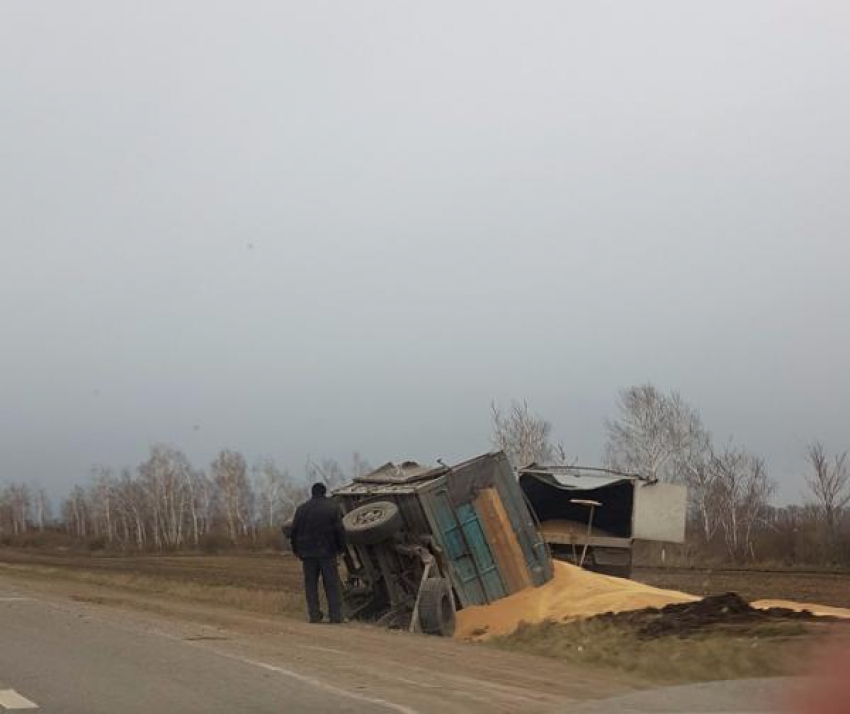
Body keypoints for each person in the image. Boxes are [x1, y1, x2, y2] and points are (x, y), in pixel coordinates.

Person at [289, 482, 345, 624]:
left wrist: (297, 550)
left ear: (312, 492)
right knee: (331, 584)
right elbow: (340, 531)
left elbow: (293, 532)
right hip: (327, 552)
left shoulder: (301, 509)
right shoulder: (332, 508)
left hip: (307, 554)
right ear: (324, 492)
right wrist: (341, 548)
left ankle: (314, 615)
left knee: (311, 585)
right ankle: (335, 615)